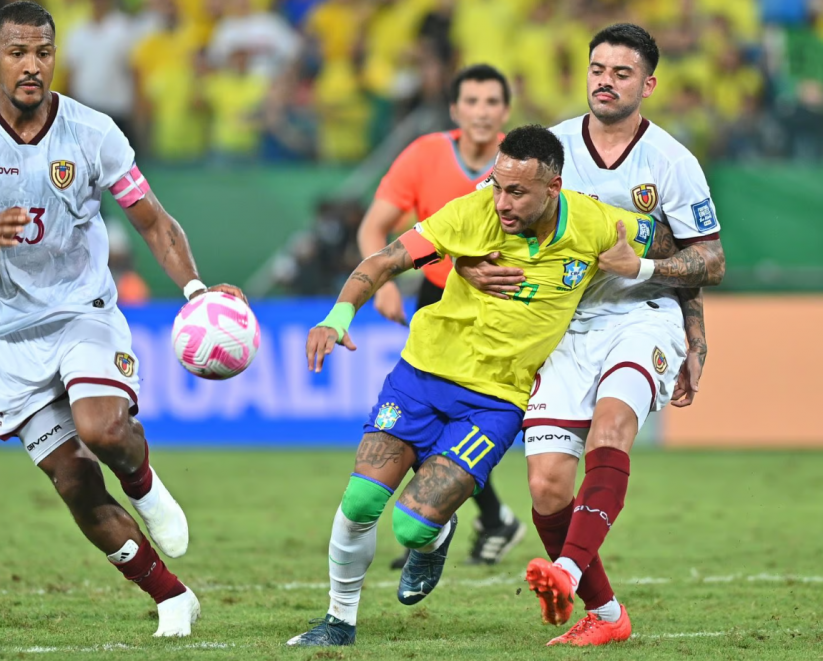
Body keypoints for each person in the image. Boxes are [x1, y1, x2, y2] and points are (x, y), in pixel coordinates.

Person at [0, 2, 244, 638]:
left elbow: (152, 218)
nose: (31, 65)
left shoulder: (93, 132)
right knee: (72, 481)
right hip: (4, 330)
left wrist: (195, 290)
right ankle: (172, 596)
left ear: (54, 57)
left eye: (42, 52)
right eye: (17, 53)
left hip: (81, 310)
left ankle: (145, 485)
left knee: (100, 429)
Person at [288, 125, 678, 647]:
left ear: (554, 188)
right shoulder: (471, 215)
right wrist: (338, 317)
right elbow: (385, 259)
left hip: (494, 403)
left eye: (516, 192)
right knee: (359, 501)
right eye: (496, 185)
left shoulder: (596, 223)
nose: (500, 202)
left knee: (411, 529)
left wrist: (646, 270)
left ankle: (435, 538)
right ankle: (338, 624)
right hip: (420, 378)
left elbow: (671, 240)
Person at [456, 24, 726, 647]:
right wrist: (468, 263)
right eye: (597, 69)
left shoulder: (672, 162)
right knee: (547, 484)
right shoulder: (549, 147)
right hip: (561, 325)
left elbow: (710, 259)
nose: (605, 80)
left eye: (621, 72)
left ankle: (567, 570)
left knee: (612, 426)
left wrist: (653, 279)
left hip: (642, 314)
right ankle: (606, 617)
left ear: (648, 85)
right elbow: (475, 215)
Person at [357, 63, 522, 570]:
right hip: (440, 305)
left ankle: (454, 520)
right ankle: (465, 521)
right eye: (471, 101)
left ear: (504, 112)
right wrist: (381, 283)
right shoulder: (426, 153)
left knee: (468, 423)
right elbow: (374, 226)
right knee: (429, 420)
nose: (480, 111)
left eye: (491, 102)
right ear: (455, 110)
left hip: (508, 309)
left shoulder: (519, 164)